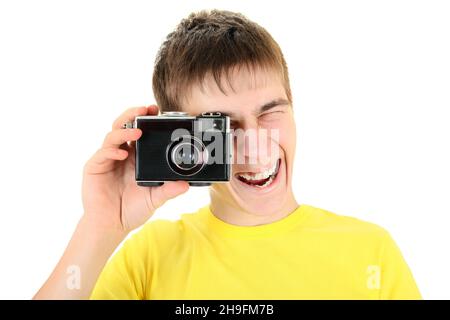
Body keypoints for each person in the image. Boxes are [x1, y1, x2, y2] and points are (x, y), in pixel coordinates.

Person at [34, 9, 421, 300]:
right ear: (180, 141)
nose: (253, 141)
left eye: (270, 111)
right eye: (224, 126)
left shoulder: (371, 252)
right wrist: (100, 227)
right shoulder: (148, 258)